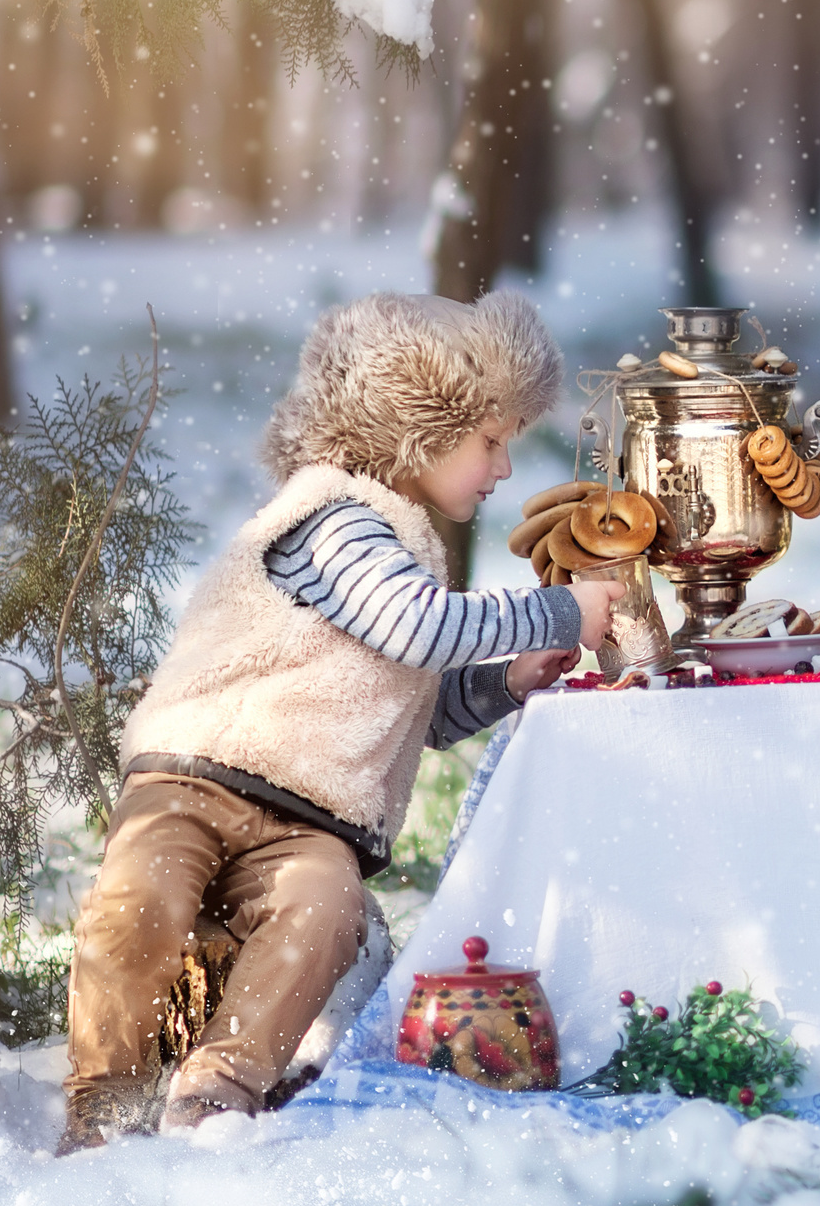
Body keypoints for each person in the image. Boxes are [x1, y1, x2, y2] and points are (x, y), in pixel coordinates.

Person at [57, 292, 624, 1152]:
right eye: (489, 440)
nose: (503, 468)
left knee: (325, 908)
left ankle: (218, 1088)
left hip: (311, 819)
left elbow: (406, 714)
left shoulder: (403, 553)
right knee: (142, 901)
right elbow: (417, 626)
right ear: (415, 427)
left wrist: (506, 681)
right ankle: (106, 1100)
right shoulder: (331, 517)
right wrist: (556, 612)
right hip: (197, 772)